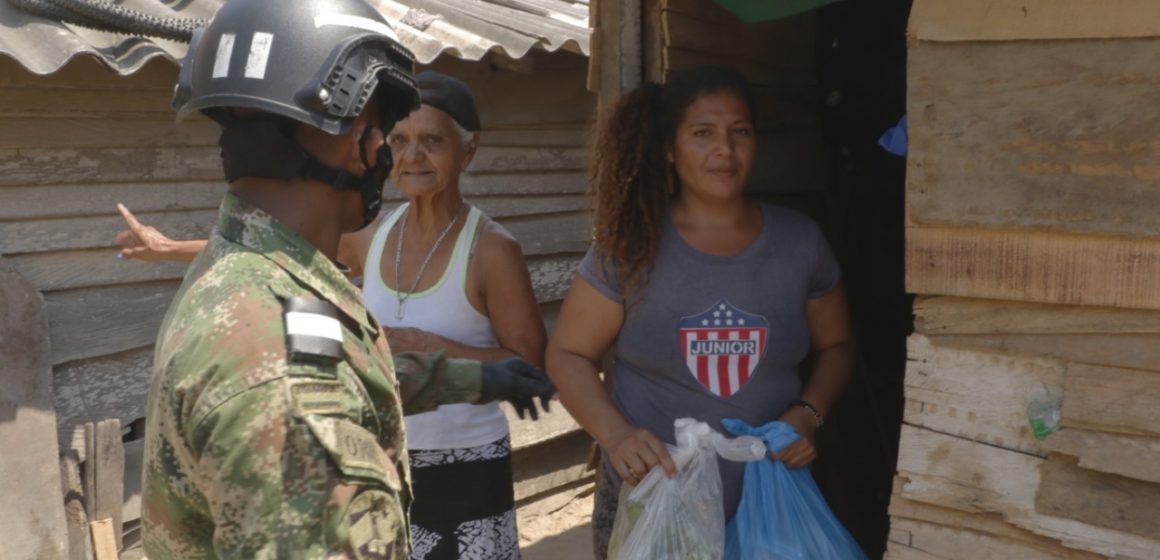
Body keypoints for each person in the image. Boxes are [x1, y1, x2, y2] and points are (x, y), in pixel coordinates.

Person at [140, 1, 553, 558]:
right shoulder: (280, 372)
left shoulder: (261, 273)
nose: (394, 151)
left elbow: (340, 368)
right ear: (355, 133)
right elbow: (310, 386)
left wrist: (472, 380)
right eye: (388, 129)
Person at [543, 66, 854, 558]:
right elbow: (567, 355)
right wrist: (617, 434)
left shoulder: (799, 243)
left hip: (771, 506)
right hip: (654, 501)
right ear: (668, 147)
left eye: (740, 132)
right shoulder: (628, 249)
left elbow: (837, 346)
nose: (724, 151)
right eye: (703, 133)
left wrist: (809, 414)